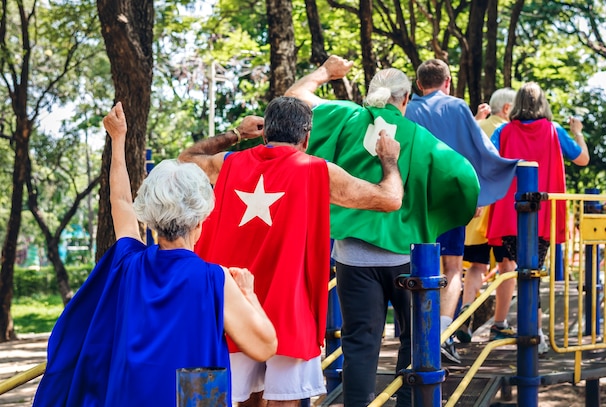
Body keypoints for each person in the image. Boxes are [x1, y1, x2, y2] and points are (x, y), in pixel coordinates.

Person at [33, 102, 278, 407]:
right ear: (201, 218)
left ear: (148, 218)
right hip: (191, 398)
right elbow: (265, 346)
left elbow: (120, 200)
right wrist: (248, 293)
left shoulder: (128, 263)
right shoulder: (214, 279)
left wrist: (118, 139)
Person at [178, 96, 406, 407]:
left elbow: (186, 158)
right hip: (290, 310)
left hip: (234, 308)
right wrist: (389, 159)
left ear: (266, 132)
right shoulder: (318, 172)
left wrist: (236, 133)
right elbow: (390, 198)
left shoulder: (227, 164)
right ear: (307, 136)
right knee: (286, 401)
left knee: (242, 399)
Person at [285, 55, 479, 406]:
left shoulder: (345, 117)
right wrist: (442, 215)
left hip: (352, 257)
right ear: (405, 99)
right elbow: (465, 179)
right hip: (408, 259)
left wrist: (326, 73)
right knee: (413, 340)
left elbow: (295, 99)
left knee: (359, 342)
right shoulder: (421, 138)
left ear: (370, 95)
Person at [404, 59, 519, 364]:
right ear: (448, 81)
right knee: (453, 267)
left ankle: (417, 334)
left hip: (415, 201)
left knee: (416, 266)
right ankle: (442, 333)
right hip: (451, 198)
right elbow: (479, 150)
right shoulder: (456, 107)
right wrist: (481, 191)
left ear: (418, 85)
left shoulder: (407, 109)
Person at [486, 82, 589, 354]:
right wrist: (577, 133)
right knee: (533, 274)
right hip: (543, 216)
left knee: (514, 270)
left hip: (509, 214)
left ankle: (518, 328)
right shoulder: (554, 131)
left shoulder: (504, 130)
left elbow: (488, 158)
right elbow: (582, 159)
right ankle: (536, 334)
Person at [456, 87, 517, 343]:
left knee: (475, 267)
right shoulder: (508, 132)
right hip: (499, 212)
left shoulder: (477, 127)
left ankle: (465, 319)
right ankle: (500, 323)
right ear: (506, 109)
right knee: (506, 265)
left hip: (476, 212)